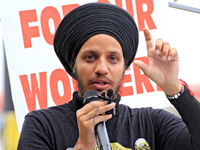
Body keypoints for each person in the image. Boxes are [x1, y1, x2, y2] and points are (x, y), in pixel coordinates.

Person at [17, 3, 200, 150]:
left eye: (113, 58)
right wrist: (84, 146)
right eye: (90, 57)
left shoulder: (152, 122)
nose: (102, 68)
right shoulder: (42, 124)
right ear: (73, 66)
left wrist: (173, 86)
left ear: (124, 67)